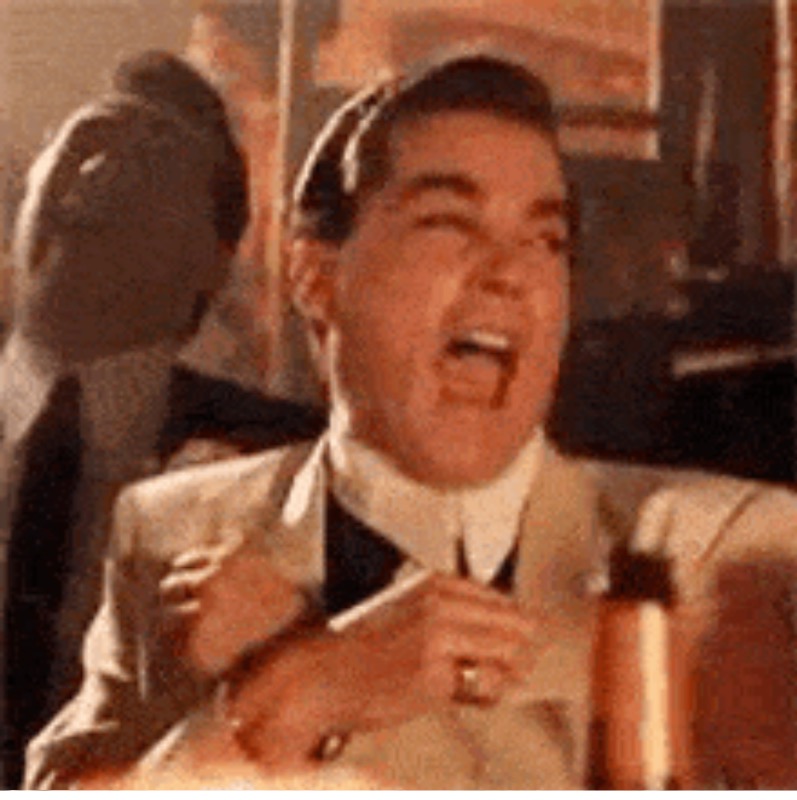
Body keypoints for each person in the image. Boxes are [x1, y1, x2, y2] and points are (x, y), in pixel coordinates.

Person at [24, 51, 797, 790]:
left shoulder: (716, 550)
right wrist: (285, 700)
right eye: (448, 223)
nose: (508, 273)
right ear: (316, 277)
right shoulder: (175, 532)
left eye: (544, 239)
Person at [0, 50, 324, 789]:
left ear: (216, 258)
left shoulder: (291, 467)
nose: (94, 177)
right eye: (80, 147)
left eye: (145, 164)